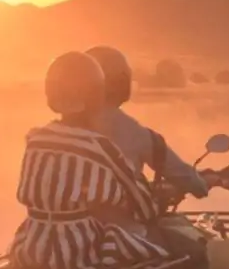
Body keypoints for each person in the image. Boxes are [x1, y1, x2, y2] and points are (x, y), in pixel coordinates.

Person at [8, 51, 174, 269]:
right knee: (167, 256)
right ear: (96, 95)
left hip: (32, 247)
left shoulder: (35, 140)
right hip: (80, 253)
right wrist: (153, 203)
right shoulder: (98, 146)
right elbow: (140, 202)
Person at [85, 45, 211, 199]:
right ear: (123, 83)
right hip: (123, 220)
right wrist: (201, 184)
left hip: (62, 219)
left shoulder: (55, 132)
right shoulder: (137, 134)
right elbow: (188, 179)